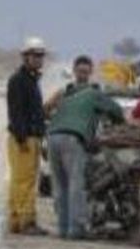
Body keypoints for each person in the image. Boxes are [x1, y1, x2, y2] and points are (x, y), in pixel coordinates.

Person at [47, 69, 126, 239]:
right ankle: (76, 229)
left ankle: (63, 228)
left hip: (52, 137)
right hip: (72, 138)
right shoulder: (94, 94)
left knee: (61, 186)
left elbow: (49, 111)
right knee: (76, 184)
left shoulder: (67, 97)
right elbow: (116, 110)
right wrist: (122, 126)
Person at [6, 37, 48, 235]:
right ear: (26, 57)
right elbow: (16, 112)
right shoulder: (19, 80)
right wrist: (22, 139)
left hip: (31, 137)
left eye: (41, 55)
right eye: (36, 55)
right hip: (24, 138)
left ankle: (16, 220)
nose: (39, 59)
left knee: (22, 180)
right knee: (25, 181)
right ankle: (26, 222)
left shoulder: (31, 80)